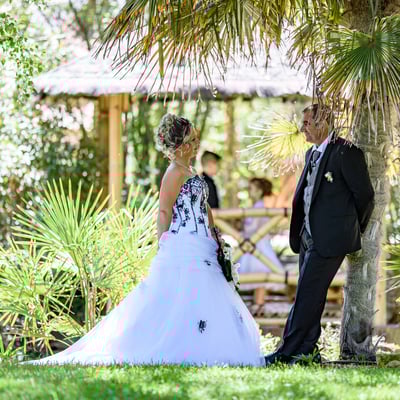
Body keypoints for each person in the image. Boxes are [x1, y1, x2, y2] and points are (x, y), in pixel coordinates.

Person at [23, 113, 264, 367]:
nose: (196, 144)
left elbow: (205, 208)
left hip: (203, 242)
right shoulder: (173, 172)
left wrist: (215, 235)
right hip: (183, 242)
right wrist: (164, 244)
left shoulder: (191, 170)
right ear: (179, 146)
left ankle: (210, 346)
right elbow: (164, 211)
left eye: (195, 139)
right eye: (191, 140)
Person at [264, 104, 374, 366]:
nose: (302, 128)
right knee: (311, 295)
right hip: (307, 237)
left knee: (306, 295)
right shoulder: (310, 153)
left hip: (331, 239)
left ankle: (287, 352)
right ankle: (307, 351)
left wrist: (352, 228)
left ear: (322, 122)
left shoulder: (346, 152)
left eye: (307, 123)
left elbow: (365, 196)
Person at [239, 178, 283, 317]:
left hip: (258, 245)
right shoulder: (255, 206)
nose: (249, 192)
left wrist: (242, 224)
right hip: (253, 244)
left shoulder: (259, 207)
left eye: (251, 189)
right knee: (257, 276)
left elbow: (252, 227)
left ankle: (259, 305)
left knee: (260, 274)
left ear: (259, 191)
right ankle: (258, 304)